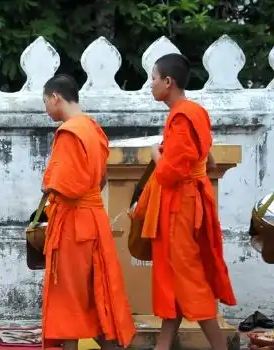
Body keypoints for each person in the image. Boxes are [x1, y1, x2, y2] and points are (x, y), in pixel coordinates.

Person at [132, 53, 236, 350]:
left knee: (188, 277)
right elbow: (205, 156)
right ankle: (163, 345)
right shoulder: (195, 111)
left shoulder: (181, 116)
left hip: (180, 206)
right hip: (188, 201)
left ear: (168, 81)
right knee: (172, 276)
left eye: (153, 78)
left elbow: (169, 172)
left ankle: (220, 346)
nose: (150, 84)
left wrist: (156, 154)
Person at [40, 74, 135, 350]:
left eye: (46, 102)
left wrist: (48, 186)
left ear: (56, 97)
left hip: (73, 222)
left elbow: (64, 186)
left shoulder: (69, 132)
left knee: (68, 294)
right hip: (94, 217)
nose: (46, 109)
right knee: (97, 293)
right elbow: (101, 178)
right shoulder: (93, 129)